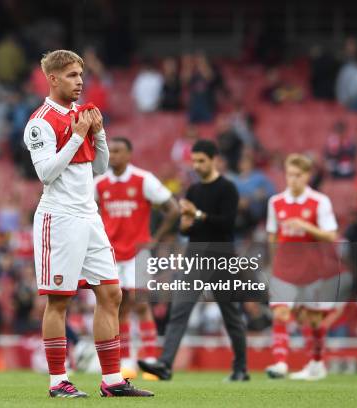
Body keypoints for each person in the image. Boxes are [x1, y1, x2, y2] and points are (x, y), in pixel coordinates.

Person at [24, 50, 153, 398]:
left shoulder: (82, 115)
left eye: (80, 74)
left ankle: (111, 380)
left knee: (112, 293)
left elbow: (99, 169)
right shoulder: (40, 121)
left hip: (88, 214)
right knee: (59, 300)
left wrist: (99, 135)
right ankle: (57, 381)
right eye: (70, 75)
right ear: (52, 79)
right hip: (59, 216)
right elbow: (45, 173)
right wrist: (79, 136)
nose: (79, 81)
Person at [138, 140, 249, 382]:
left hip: (222, 256)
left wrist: (196, 215)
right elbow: (189, 230)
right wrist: (186, 225)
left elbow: (227, 224)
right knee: (179, 310)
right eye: (194, 160)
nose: (197, 165)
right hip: (195, 255)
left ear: (214, 160)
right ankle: (165, 364)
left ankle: (241, 367)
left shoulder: (227, 188)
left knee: (231, 315)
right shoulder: (194, 191)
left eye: (201, 161)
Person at [95, 137, 180, 379]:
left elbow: (172, 208)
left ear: (130, 154)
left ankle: (151, 361)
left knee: (142, 304)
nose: (114, 155)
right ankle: (126, 362)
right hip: (110, 254)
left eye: (119, 150)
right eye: (111, 151)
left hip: (138, 253)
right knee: (118, 307)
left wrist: (156, 239)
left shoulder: (143, 180)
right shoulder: (99, 184)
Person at [265, 154, 340, 381]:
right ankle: (280, 363)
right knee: (280, 313)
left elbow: (331, 235)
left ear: (307, 176)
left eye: (298, 175)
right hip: (284, 269)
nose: (293, 180)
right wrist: (272, 264)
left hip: (312, 269)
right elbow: (272, 236)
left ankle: (316, 364)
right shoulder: (275, 202)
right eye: (289, 175)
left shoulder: (320, 201)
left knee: (314, 319)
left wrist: (306, 225)